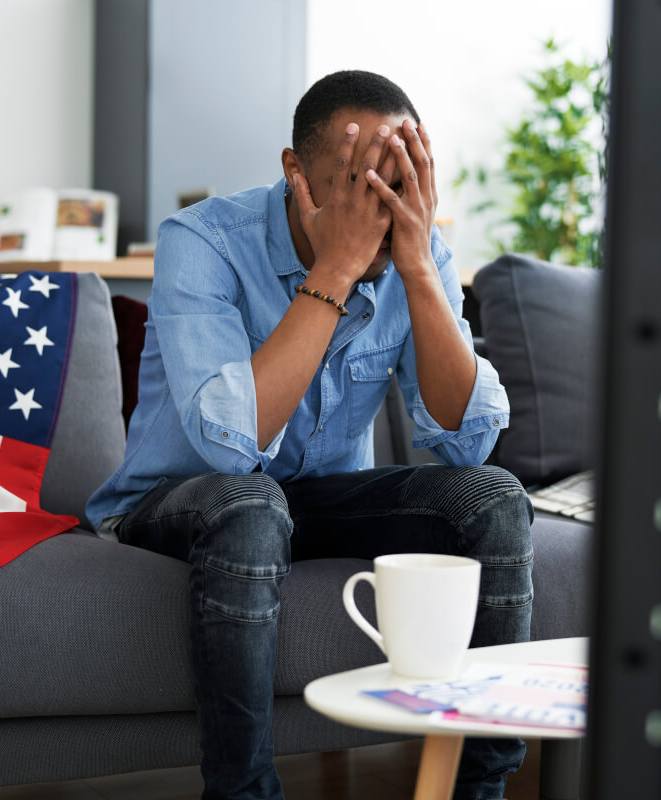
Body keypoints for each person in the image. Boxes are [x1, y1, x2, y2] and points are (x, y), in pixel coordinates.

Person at [87, 70, 533, 800]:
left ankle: (477, 792)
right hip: (176, 500)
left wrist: (418, 266)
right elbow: (233, 448)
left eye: (397, 187)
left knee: (493, 497)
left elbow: (466, 442)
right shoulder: (203, 241)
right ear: (294, 171)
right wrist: (334, 270)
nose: (377, 211)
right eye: (356, 185)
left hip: (311, 502)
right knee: (250, 501)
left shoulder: (416, 249)